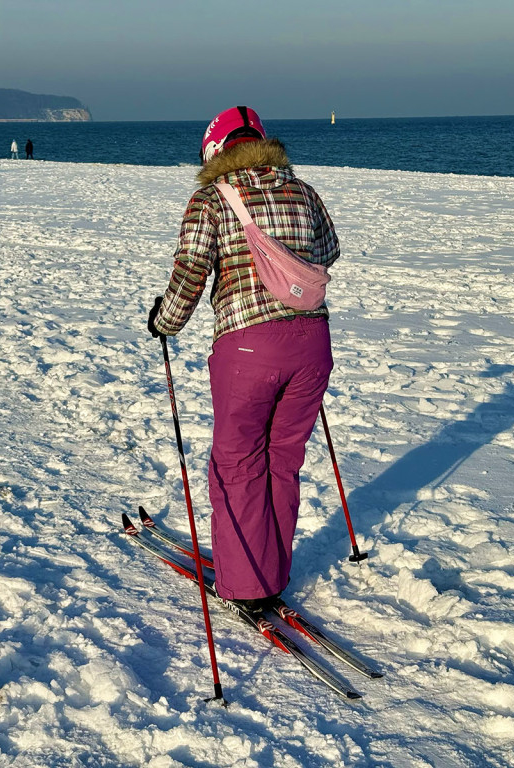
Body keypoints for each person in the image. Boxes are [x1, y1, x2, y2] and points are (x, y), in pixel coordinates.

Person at [147, 106, 340, 611]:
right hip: (313, 345)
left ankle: (243, 585)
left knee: (237, 463)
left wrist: (164, 322)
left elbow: (191, 270)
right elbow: (330, 250)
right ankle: (272, 574)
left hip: (249, 348)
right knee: (283, 459)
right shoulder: (303, 191)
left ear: (214, 152)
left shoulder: (212, 199)